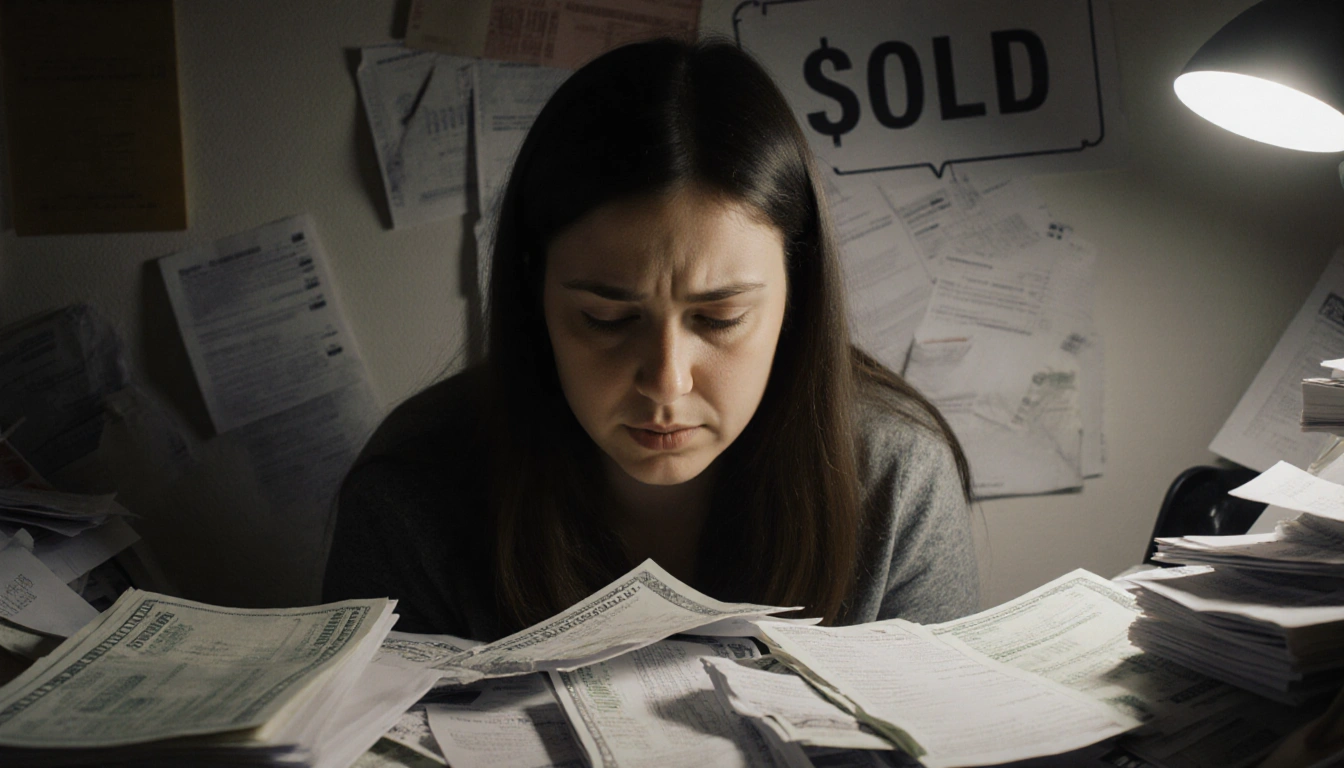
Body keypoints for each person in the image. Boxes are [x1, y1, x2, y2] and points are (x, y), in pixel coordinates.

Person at [322, 37, 978, 640]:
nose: (667, 381)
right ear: (534, 294)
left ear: (797, 295)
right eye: (607, 320)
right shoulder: (411, 494)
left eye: (719, 319)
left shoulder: (897, 479)